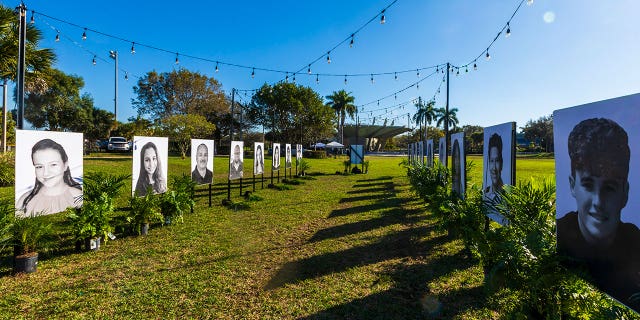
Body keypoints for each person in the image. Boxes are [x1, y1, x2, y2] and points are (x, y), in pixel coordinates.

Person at [556, 118, 640, 310]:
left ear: (624, 193)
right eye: (587, 184)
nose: (598, 202)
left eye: (609, 188)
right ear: (572, 185)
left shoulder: (637, 244)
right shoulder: (559, 235)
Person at [16, 138, 82, 216]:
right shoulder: (25, 200)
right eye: (39, 166)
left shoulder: (77, 196)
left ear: (65, 165)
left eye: (53, 165)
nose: (46, 173)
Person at [484, 133, 504, 201]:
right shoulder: (485, 192)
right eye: (491, 161)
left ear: (502, 163)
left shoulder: (506, 195)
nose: (494, 168)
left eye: (497, 161)